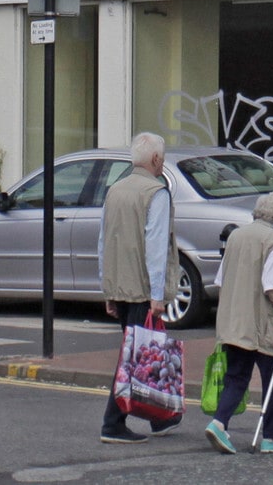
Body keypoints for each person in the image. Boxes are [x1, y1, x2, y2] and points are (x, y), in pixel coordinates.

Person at [97, 131, 181, 443]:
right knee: (134, 358)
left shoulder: (114, 191)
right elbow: (156, 246)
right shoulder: (155, 193)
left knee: (141, 353)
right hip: (143, 289)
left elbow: (103, 241)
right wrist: (157, 295)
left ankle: (162, 418)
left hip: (120, 285)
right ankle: (113, 423)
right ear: (156, 159)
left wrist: (107, 289)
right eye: (163, 157)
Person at [204, 191, 273, 455]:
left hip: (234, 320)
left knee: (237, 376)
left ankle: (219, 423)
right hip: (262, 324)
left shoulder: (236, 236)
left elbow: (221, 280)